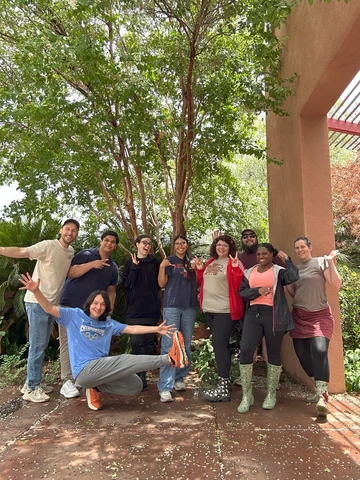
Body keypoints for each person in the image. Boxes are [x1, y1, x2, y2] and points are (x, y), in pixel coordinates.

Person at [19, 273, 188, 411]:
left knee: (135, 385)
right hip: (84, 370)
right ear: (89, 303)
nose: (98, 307)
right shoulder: (74, 316)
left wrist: (156, 329)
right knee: (123, 360)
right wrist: (36, 291)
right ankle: (170, 359)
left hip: (99, 372)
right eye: (95, 303)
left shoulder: (108, 324)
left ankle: (95, 388)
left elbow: (132, 329)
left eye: (102, 304)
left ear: (106, 308)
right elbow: (49, 308)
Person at [0, 219, 79, 403]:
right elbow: (22, 251)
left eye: (74, 230)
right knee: (37, 345)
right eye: (68, 229)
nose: (70, 233)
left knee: (41, 345)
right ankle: (32, 388)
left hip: (51, 305)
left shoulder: (70, 252)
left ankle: (31, 383)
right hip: (36, 302)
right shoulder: (48, 246)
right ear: (61, 230)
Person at [237, 243, 299, 414]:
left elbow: (294, 275)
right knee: (246, 350)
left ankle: (271, 395)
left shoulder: (279, 271)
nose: (261, 256)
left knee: (272, 353)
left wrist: (285, 257)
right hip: (253, 314)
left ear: (272, 254)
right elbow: (242, 292)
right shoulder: (250, 271)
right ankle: (246, 396)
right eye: (259, 254)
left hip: (273, 314)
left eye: (265, 253)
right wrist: (257, 291)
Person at [59, 230, 120, 398]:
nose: (109, 243)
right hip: (70, 305)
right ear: (101, 241)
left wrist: (108, 311)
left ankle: (82, 379)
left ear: (115, 246)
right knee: (67, 342)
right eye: (106, 240)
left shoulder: (113, 268)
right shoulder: (86, 254)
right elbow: (70, 273)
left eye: (113, 242)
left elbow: (111, 291)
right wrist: (92, 264)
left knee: (88, 343)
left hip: (91, 313)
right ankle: (67, 381)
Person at [287, 237, 342, 417]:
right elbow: (294, 293)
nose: (300, 250)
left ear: (310, 247)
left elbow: (336, 284)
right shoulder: (295, 269)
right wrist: (285, 282)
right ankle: (319, 389)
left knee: (319, 350)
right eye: (297, 248)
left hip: (319, 315)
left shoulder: (320, 262)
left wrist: (331, 263)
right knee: (302, 354)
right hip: (299, 315)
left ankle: (321, 396)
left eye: (303, 246)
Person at [233, 228, 286, 386]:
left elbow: (284, 277)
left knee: (269, 343)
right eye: (245, 236)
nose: (248, 238)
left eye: (251, 236)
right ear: (242, 240)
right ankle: (246, 379)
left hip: (270, 308)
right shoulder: (239, 257)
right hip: (248, 306)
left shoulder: (271, 257)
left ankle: (273, 379)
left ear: (256, 238)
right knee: (249, 342)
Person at [194, 235, 244, 402]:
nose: (221, 247)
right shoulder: (210, 262)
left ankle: (223, 388)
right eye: (218, 244)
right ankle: (224, 382)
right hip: (209, 309)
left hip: (225, 310)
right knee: (219, 345)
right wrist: (200, 270)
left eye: (225, 245)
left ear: (230, 248)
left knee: (219, 345)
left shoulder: (232, 262)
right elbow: (203, 282)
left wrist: (236, 269)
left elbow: (239, 285)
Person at [157, 234, 197, 403]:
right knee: (169, 344)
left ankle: (179, 377)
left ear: (187, 245)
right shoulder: (169, 260)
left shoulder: (192, 262)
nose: (180, 245)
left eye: (183, 243)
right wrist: (161, 267)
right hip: (171, 306)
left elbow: (200, 281)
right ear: (174, 246)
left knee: (185, 343)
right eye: (177, 243)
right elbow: (161, 284)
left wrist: (198, 268)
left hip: (189, 306)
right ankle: (165, 386)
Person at [122, 234, 161, 391]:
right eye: (144, 243)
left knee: (148, 343)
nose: (147, 246)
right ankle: (140, 377)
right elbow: (127, 286)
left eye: (149, 244)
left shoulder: (155, 262)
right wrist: (134, 267)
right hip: (134, 310)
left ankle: (143, 375)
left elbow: (159, 283)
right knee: (136, 344)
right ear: (137, 244)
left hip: (151, 309)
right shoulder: (128, 263)